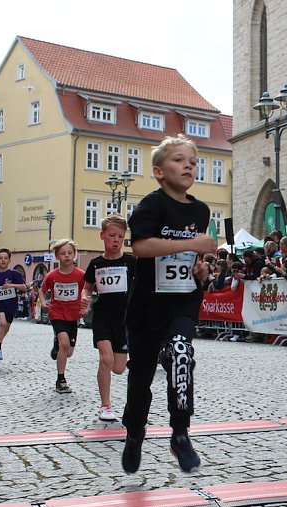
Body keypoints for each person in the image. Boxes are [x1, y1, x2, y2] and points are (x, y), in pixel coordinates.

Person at [121, 134, 216, 475]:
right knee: (140, 380)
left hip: (183, 301)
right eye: (178, 159)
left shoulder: (201, 210)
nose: (188, 164)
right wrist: (191, 243)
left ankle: (180, 432)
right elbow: (141, 248)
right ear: (159, 172)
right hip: (147, 306)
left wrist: (200, 268)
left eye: (192, 160)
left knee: (180, 355)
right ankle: (134, 433)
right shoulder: (152, 205)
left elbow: (192, 259)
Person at [82, 214, 136, 421]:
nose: (116, 240)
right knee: (106, 359)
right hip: (103, 316)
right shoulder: (95, 264)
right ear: (102, 236)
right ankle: (106, 405)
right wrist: (85, 299)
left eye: (120, 237)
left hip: (124, 319)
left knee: (119, 368)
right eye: (112, 235)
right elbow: (87, 288)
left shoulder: (131, 262)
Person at [40, 239, 88, 394]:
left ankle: (57, 344)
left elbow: (87, 291)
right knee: (65, 344)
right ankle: (61, 379)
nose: (67, 256)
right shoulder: (52, 275)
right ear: (56, 256)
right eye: (63, 253)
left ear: (74, 255)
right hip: (57, 313)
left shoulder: (81, 275)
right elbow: (42, 290)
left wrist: (86, 306)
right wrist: (42, 302)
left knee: (69, 351)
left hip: (73, 316)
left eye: (70, 253)